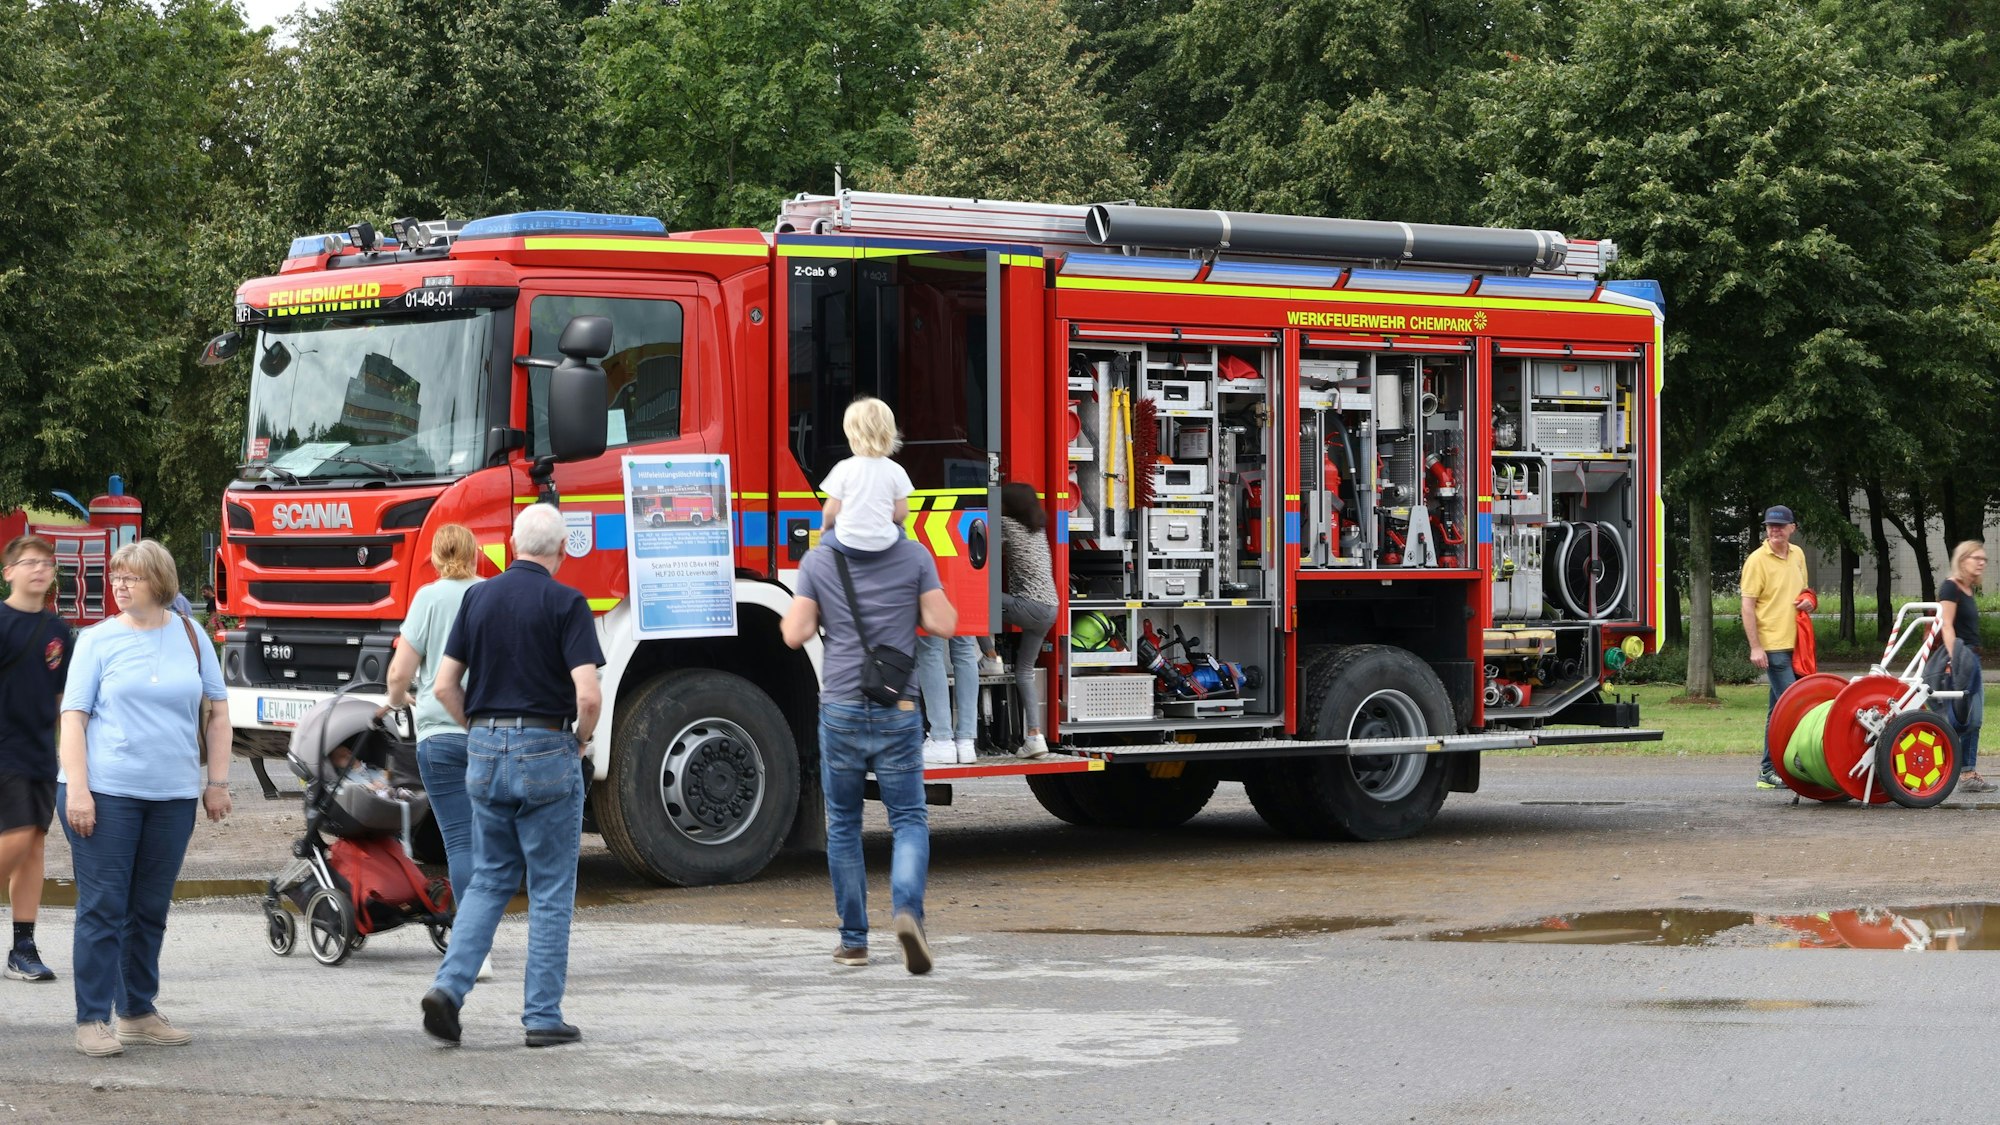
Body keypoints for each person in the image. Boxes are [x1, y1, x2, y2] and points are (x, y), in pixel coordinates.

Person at [421, 504, 603, 1049]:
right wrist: (579, 740)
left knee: (490, 878)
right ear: (563, 550)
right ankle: (542, 1016)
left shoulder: (478, 598)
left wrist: (479, 731)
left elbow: (443, 685)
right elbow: (588, 696)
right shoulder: (567, 602)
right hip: (547, 747)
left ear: (511, 545)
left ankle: (448, 989)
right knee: (549, 887)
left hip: (483, 748)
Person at [57, 539, 231, 1057]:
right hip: (104, 792)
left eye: (130, 577)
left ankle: (136, 1011)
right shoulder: (96, 640)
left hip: (172, 794)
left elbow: (219, 713)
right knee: (104, 907)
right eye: (115, 576)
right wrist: (79, 790)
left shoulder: (192, 635)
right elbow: (73, 719)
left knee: (150, 907)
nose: (119, 585)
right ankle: (92, 1019)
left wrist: (217, 783)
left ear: (159, 581)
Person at [781, 510, 957, 973]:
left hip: (841, 705)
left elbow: (795, 634)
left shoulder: (819, 561)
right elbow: (943, 623)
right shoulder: (915, 557)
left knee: (843, 823)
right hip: (897, 705)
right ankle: (907, 912)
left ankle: (854, 941)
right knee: (908, 819)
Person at [383, 524, 492, 979]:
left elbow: (398, 674)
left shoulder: (427, 599)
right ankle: (485, 936)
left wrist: (398, 700)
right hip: (489, 732)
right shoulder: (490, 594)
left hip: (439, 735)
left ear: (433, 557)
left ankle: (474, 950)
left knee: (460, 842)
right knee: (491, 840)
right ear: (475, 554)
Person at [2, 535, 71, 984]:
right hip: (2, 749)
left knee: (34, 845)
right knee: (19, 834)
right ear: (8, 572)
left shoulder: (58, 631)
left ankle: (22, 947)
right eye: (30, 562)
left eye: (47, 563)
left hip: (41, 751)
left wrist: (71, 753)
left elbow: (64, 699)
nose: (41, 569)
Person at [1741, 505, 1811, 790]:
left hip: (1797, 645)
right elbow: (1747, 606)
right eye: (1770, 526)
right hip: (1773, 646)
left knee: (1777, 709)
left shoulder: (1798, 555)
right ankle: (1802, 763)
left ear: (1792, 528)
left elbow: (1805, 592)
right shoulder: (1756, 560)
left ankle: (1768, 770)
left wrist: (1809, 601)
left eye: (1780, 526)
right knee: (1796, 706)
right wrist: (1756, 647)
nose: (1774, 530)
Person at [998, 482, 1060, 760]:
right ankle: (1035, 737)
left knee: (975, 598)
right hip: (1050, 608)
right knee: (1024, 672)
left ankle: (989, 656)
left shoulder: (1007, 526)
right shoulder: (1037, 529)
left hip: (1030, 606)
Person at [819, 397, 913, 552]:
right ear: (890, 433)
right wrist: (895, 523)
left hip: (847, 543)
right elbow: (902, 513)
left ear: (851, 435)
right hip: (885, 543)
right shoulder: (896, 470)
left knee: (826, 539)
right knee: (902, 535)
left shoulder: (843, 468)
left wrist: (826, 528)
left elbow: (830, 512)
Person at [1936, 541, 1993, 793]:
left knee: (1973, 719)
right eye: (1976, 558)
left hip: (1973, 659)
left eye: (1984, 559)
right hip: (1962, 658)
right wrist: (1954, 659)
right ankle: (1958, 770)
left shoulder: (1968, 590)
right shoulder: (1951, 587)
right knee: (1963, 719)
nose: (1981, 563)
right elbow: (1946, 625)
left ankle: (1965, 771)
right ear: (1962, 559)